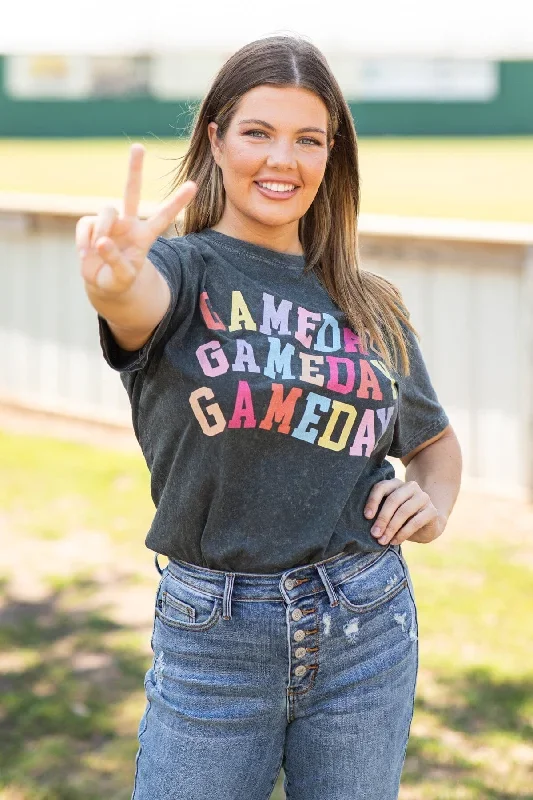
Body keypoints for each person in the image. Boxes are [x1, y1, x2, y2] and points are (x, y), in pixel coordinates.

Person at [76, 34, 462, 800]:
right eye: (257, 133)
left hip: (366, 624)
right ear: (215, 139)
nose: (281, 160)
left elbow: (436, 445)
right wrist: (113, 282)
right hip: (212, 638)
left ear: (330, 157)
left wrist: (433, 500)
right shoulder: (179, 274)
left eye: (307, 140)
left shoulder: (367, 301)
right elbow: (131, 303)